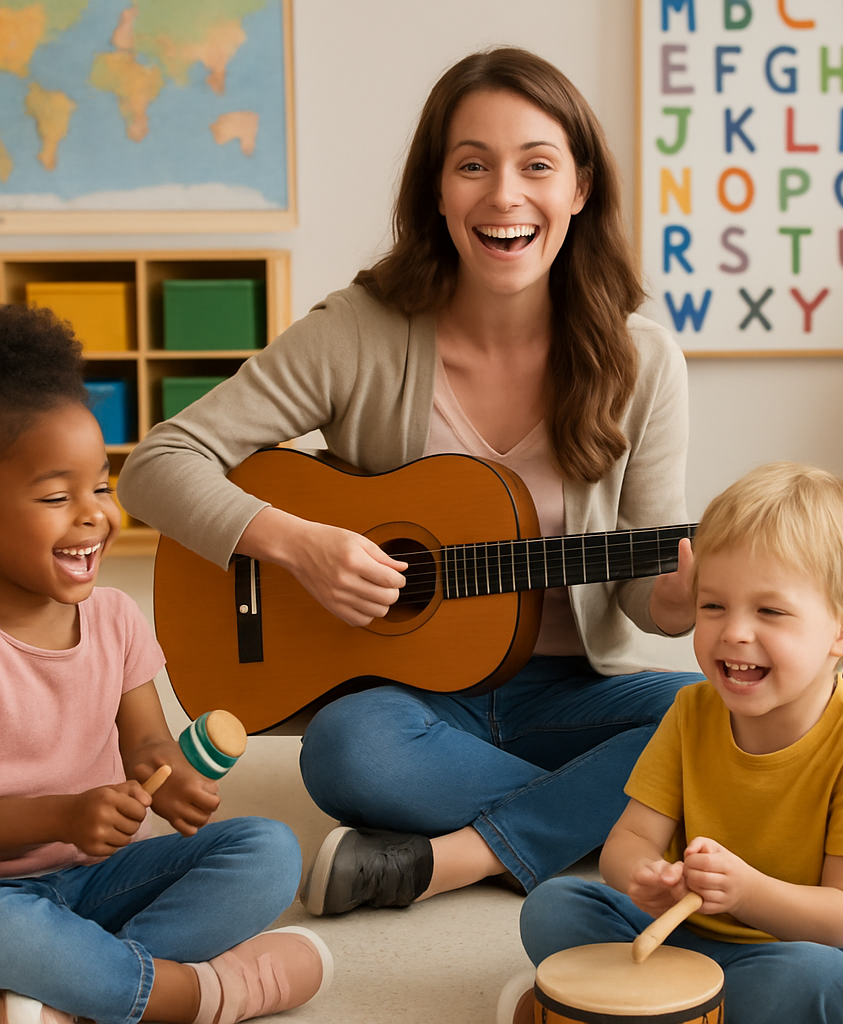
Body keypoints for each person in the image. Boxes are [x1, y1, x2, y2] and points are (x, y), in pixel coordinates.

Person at [118, 46, 702, 915]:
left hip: (574, 690)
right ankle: (600, 818)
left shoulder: (641, 357)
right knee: (347, 751)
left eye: (536, 165)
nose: (505, 196)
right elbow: (154, 467)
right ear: (437, 189)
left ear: (580, 187)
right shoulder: (360, 331)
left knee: (713, 719)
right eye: (473, 166)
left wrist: (683, 597)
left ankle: (452, 858)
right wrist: (301, 544)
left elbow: (639, 583)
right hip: (409, 706)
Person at [0, 304, 332, 1024]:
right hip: (5, 899)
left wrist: (172, 777)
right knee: (10, 930)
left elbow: (146, 742)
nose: (94, 514)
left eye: (101, 485)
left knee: (269, 850)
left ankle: (75, 995)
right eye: (57, 496)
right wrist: (64, 813)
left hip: (104, 878)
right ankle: (200, 995)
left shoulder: (115, 617)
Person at [513, 462, 843, 1024]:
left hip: (805, 953)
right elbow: (627, 843)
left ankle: (645, 1002)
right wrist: (645, 878)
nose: (734, 632)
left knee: (807, 982)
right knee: (553, 907)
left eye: (769, 611)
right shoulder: (691, 711)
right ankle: (681, 1002)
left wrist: (746, 892)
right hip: (686, 937)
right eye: (713, 606)